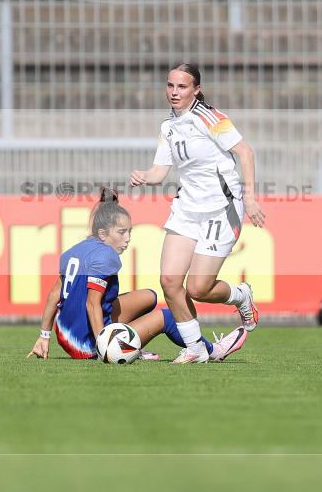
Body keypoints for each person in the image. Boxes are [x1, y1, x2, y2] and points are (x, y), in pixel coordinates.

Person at [130, 63, 266, 364]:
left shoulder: (210, 117)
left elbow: (245, 152)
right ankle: (195, 348)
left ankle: (241, 295)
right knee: (169, 281)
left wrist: (251, 199)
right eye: (170, 85)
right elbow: (160, 170)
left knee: (198, 288)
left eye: (182, 87)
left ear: (196, 90)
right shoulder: (168, 126)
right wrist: (144, 175)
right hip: (187, 209)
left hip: (222, 209)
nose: (174, 92)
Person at [26, 188, 247, 362]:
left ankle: (130, 344)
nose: (127, 238)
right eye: (122, 232)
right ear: (103, 234)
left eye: (129, 231)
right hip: (87, 343)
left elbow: (54, 295)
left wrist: (44, 336)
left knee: (149, 296)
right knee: (168, 317)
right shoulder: (106, 257)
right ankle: (213, 351)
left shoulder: (74, 251)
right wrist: (105, 348)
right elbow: (92, 305)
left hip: (66, 335)